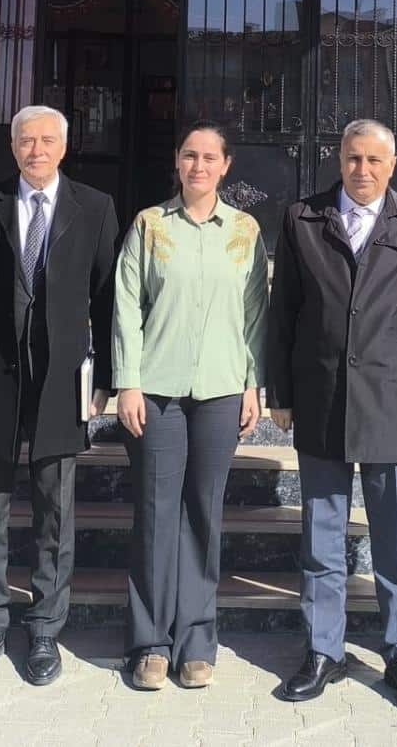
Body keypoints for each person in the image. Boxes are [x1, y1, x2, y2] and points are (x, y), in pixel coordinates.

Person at [265, 119, 397, 717]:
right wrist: (280, 392)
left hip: (392, 403)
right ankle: (325, 652)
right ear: (338, 160)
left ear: (392, 165)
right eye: (352, 158)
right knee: (322, 541)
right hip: (322, 399)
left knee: (395, 545)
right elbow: (283, 311)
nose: (362, 170)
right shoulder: (302, 219)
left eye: (374, 160)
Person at [0, 105, 117, 687]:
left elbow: (108, 301)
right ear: (12, 147)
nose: (36, 150)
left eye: (46, 141)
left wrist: (107, 380)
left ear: (64, 147)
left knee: (55, 512)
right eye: (25, 141)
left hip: (61, 382)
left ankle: (43, 629)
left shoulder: (95, 207)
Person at [115, 122, 269, 692]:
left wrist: (253, 384)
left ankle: (197, 639)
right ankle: (150, 643)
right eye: (189, 156)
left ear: (226, 165)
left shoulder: (245, 230)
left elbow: (256, 313)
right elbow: (126, 305)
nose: (198, 166)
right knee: (157, 513)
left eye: (209, 157)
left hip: (222, 390)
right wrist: (127, 382)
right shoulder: (149, 225)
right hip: (158, 391)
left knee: (204, 512)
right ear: (177, 163)